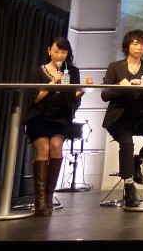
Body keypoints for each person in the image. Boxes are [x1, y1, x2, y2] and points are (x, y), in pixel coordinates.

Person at [25, 36, 93, 216]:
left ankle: (49, 197)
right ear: (49, 51)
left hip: (61, 118)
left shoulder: (72, 71)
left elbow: (72, 98)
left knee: (56, 146)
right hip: (39, 117)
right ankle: (39, 200)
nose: (60, 55)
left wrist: (83, 88)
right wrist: (52, 82)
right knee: (44, 148)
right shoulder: (38, 72)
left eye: (63, 52)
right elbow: (35, 98)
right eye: (56, 51)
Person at [102, 29, 143, 207]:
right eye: (135, 43)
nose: (139, 47)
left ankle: (138, 161)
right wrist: (123, 86)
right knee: (127, 143)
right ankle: (128, 186)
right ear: (127, 46)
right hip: (119, 116)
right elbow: (105, 95)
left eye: (142, 44)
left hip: (141, 115)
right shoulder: (115, 67)